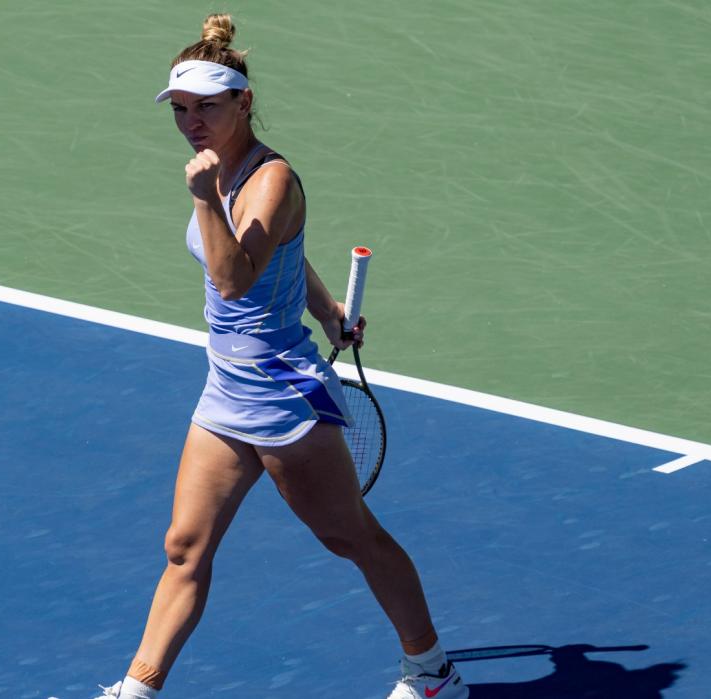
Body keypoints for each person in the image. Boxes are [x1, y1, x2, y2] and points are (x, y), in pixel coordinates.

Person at [89, 14, 467, 699]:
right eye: (180, 109)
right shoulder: (224, 172)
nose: (192, 122)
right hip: (226, 387)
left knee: (352, 537)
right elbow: (282, 257)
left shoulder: (271, 181)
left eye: (207, 107)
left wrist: (205, 199)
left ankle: (434, 672)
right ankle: (136, 690)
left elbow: (234, 273)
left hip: (286, 387)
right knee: (184, 547)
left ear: (245, 103)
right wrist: (327, 309)